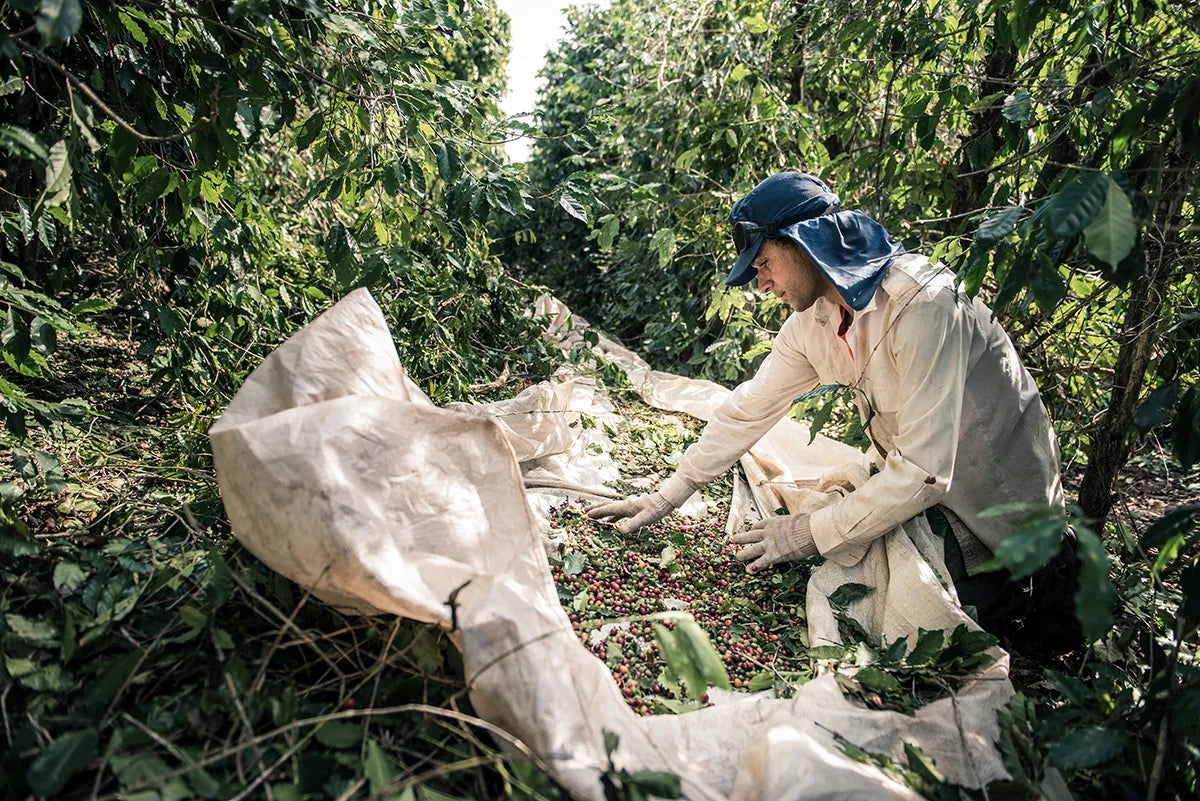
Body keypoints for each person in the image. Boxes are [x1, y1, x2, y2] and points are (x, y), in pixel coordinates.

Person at [588, 171, 1080, 644]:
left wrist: (804, 533)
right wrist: (664, 497)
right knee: (861, 573)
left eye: (763, 264)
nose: (762, 285)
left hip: (1001, 508)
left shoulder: (922, 304)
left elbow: (926, 472)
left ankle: (1043, 588)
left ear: (804, 241)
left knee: (922, 613)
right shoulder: (813, 323)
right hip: (924, 494)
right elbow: (749, 409)